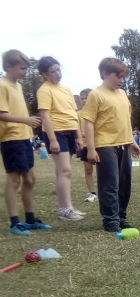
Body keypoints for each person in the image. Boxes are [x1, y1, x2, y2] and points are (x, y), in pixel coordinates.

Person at [81, 57, 140, 232]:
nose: (122, 80)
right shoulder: (96, 95)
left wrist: (132, 140)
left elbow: (125, 120)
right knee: (110, 183)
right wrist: (91, 149)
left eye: (124, 77)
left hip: (124, 144)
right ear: (104, 74)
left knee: (124, 182)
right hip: (105, 145)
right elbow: (89, 122)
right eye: (118, 76)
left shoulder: (122, 94)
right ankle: (110, 220)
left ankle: (121, 216)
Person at [1, 50, 48, 235]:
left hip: (23, 137)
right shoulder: (2, 86)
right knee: (14, 181)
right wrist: (26, 120)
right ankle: (14, 223)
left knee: (30, 178)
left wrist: (26, 125)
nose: (25, 72)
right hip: (11, 139)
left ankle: (30, 219)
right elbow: (2, 114)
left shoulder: (18, 86)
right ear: (7, 67)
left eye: (26, 68)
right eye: (22, 68)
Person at [36, 56, 84, 221]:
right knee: (65, 170)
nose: (57, 74)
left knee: (62, 171)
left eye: (58, 69)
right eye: (52, 71)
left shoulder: (66, 89)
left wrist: (79, 136)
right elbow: (45, 116)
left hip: (70, 130)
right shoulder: (44, 90)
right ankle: (65, 209)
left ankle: (66, 207)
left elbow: (74, 114)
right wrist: (53, 140)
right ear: (44, 74)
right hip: (57, 132)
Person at [76, 89, 97, 203]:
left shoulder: (98, 112)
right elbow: (78, 131)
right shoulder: (79, 114)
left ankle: (106, 191)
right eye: (82, 98)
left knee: (103, 170)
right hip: (85, 145)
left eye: (86, 97)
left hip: (99, 144)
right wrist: (83, 135)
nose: (84, 100)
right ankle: (92, 192)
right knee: (88, 170)